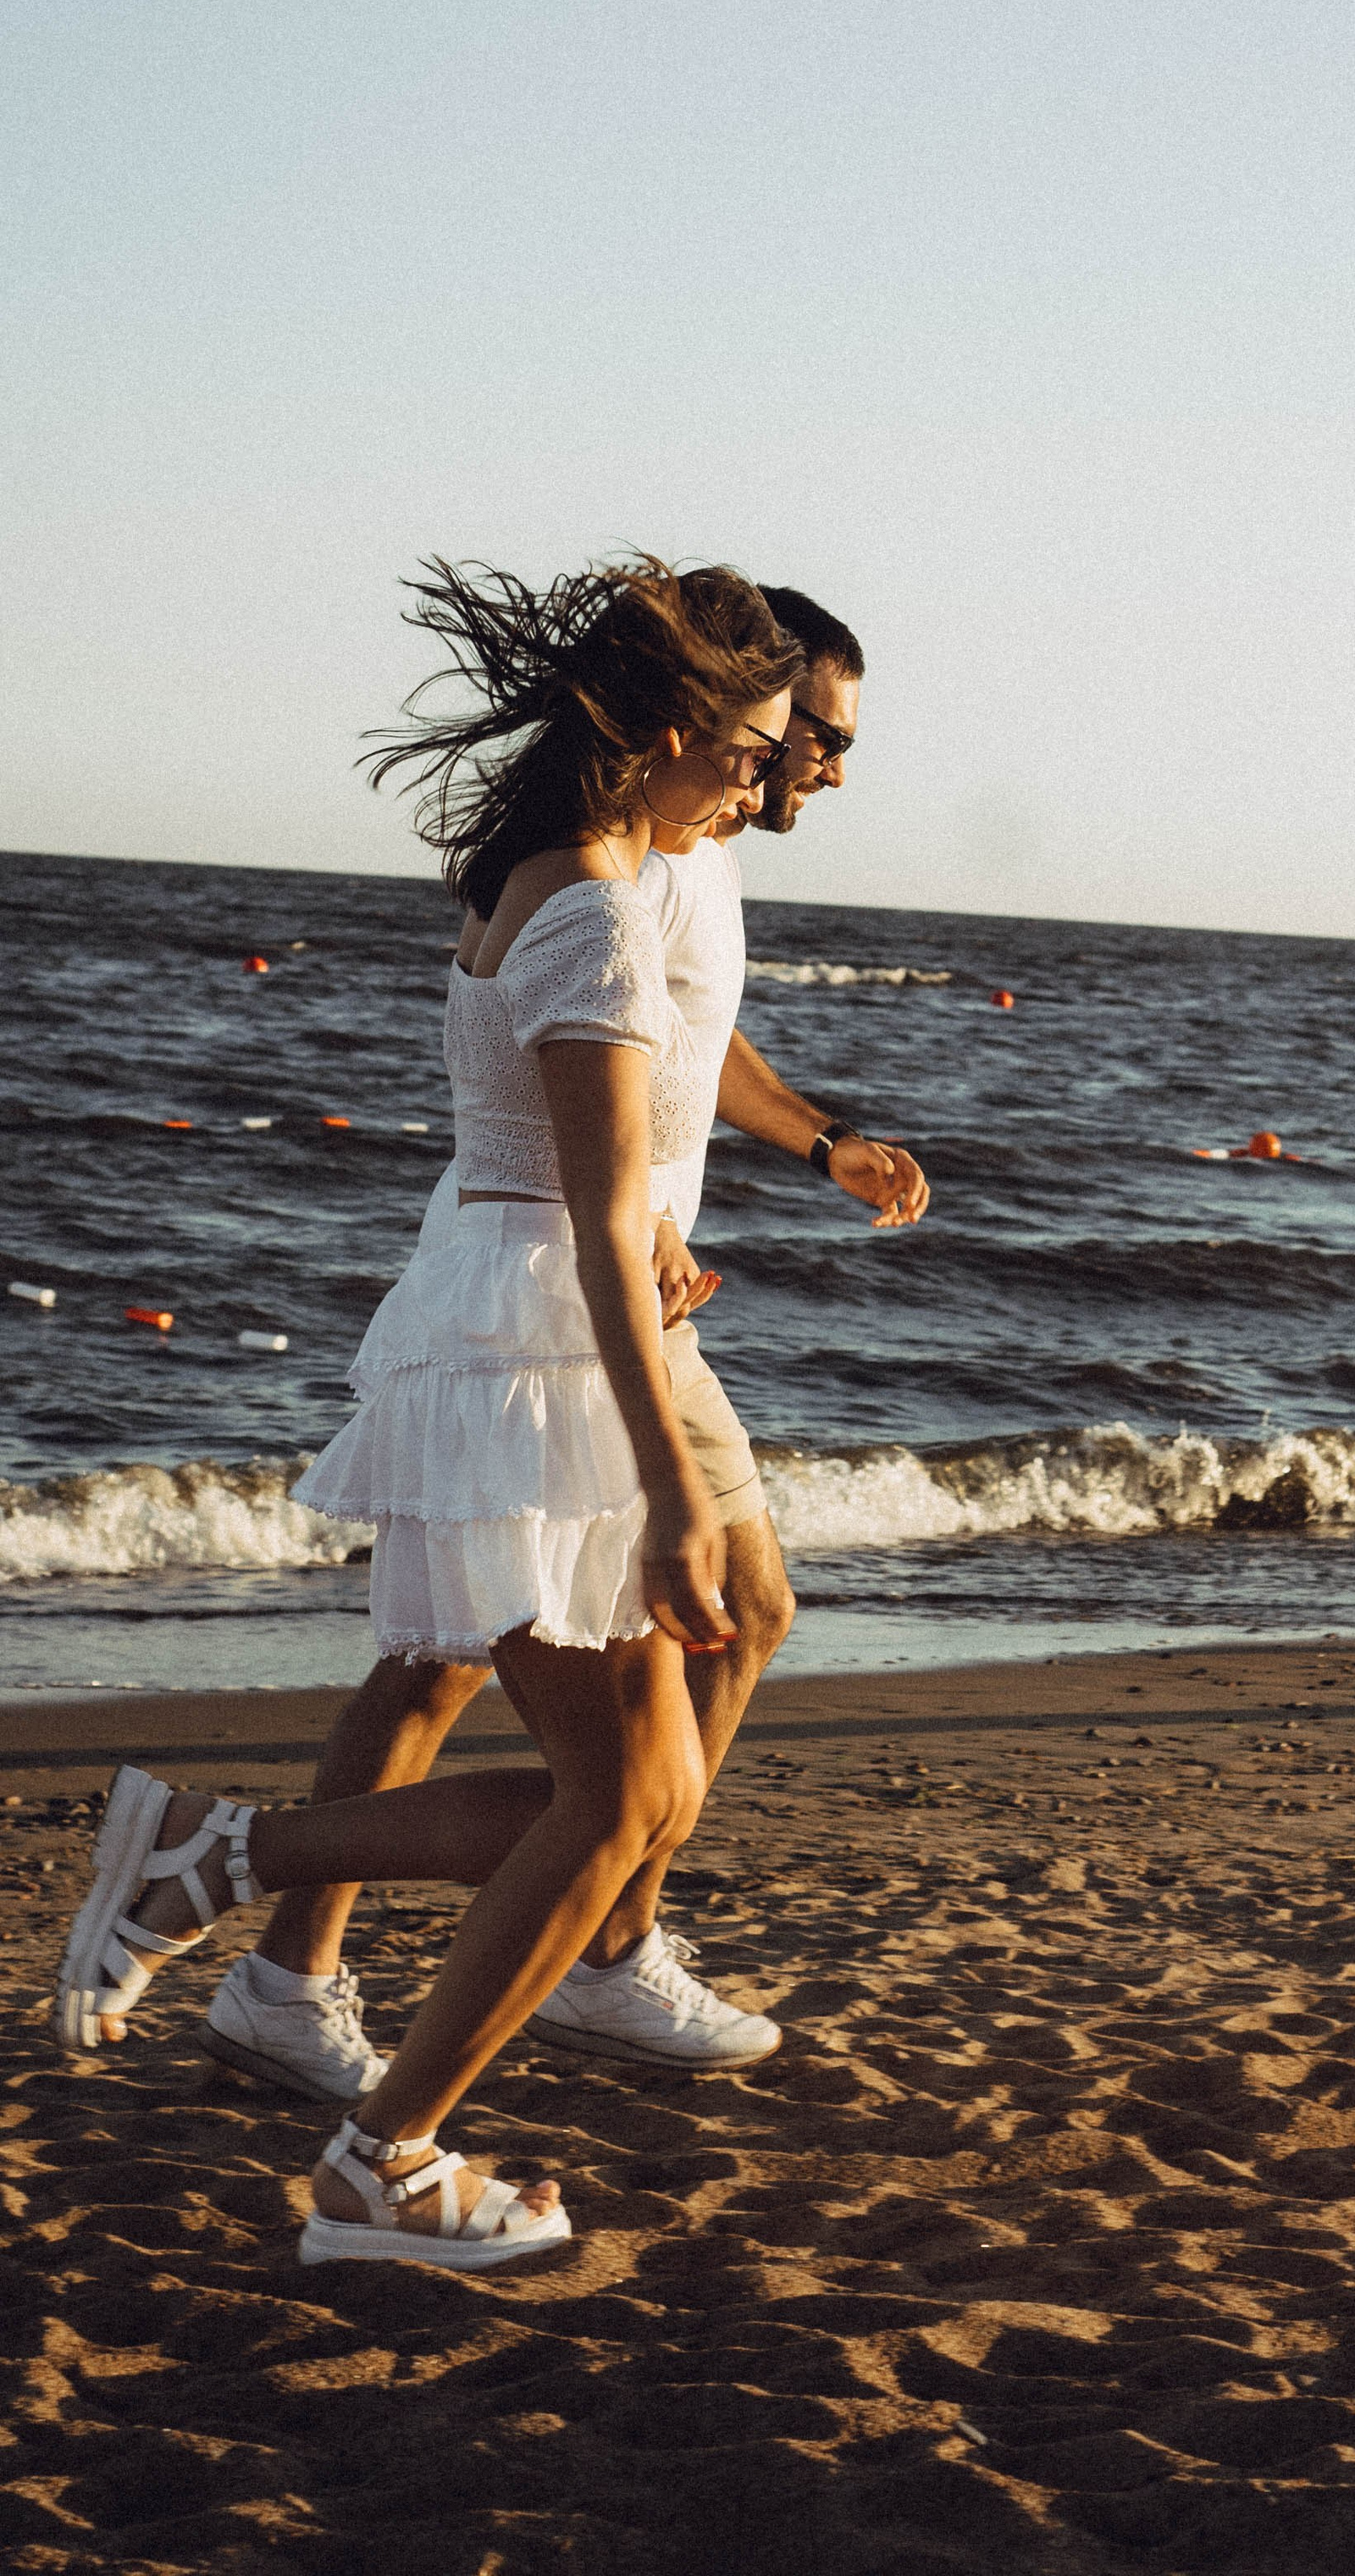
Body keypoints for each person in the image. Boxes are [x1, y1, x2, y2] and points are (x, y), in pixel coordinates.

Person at [57, 556, 814, 2271]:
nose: (765, 782)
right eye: (753, 746)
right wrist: (673, 1489)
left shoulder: (549, 877)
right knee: (622, 1800)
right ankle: (373, 2144)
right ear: (666, 725)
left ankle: (229, 1876)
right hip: (535, 1354)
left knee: (634, 1797)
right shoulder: (595, 915)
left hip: (505, 1327)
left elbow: (592, 1213)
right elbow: (609, 1241)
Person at [193, 581, 926, 2103]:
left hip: (605, 1304)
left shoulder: (685, 847)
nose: (820, 767)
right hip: (558, 1317)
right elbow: (587, 1054)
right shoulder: (629, 860)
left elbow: (684, 1037)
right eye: (808, 737)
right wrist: (634, 1218)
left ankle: (570, 1944)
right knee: (459, 1674)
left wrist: (819, 1140)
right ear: (711, 717)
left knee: (711, 1627)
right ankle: (324, 1964)